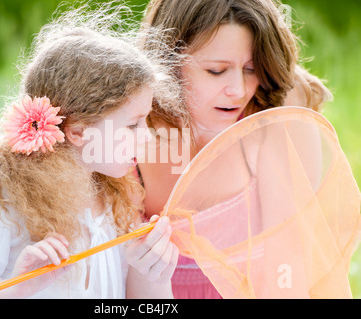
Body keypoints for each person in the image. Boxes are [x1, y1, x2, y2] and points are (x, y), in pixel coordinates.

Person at [0, 10, 180, 299]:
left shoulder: (115, 194)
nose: (148, 137)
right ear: (78, 131)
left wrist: (151, 275)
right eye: (132, 125)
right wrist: (14, 289)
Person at [135, 0, 333, 299]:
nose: (238, 90)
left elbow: (288, 266)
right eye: (216, 71)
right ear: (166, 63)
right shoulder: (127, 123)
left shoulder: (275, 113)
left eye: (251, 69)